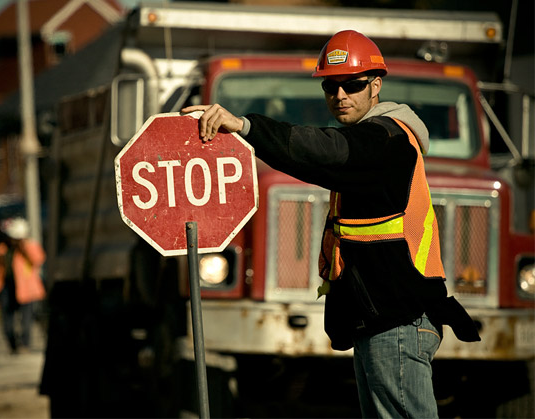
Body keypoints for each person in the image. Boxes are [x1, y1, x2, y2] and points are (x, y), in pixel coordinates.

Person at [182, 30, 480, 418]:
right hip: (381, 321)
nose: (340, 95)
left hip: (399, 322)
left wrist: (246, 127)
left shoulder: (386, 139)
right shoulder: (373, 140)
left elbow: (325, 152)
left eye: (353, 85)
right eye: (330, 86)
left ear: (376, 86)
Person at [0, 217, 46, 354]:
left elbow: (38, 260)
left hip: (27, 289)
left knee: (26, 320)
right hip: (8, 288)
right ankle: (13, 344)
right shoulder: (2, 249)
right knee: (7, 322)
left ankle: (25, 344)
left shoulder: (29, 246)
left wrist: (24, 246)